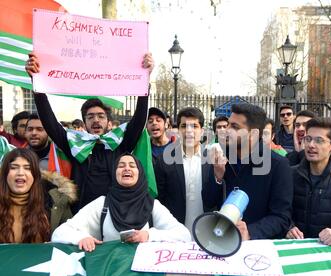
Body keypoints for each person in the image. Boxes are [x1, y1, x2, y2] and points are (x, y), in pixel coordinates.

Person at [25, 52, 154, 213]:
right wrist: (36, 82)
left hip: (117, 214)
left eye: (101, 116)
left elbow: (140, 119)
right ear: (84, 122)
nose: (96, 120)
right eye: (90, 117)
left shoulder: (122, 144)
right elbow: (50, 123)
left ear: (108, 122)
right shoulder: (74, 145)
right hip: (82, 216)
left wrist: (145, 80)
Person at [51, 153, 190, 251]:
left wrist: (149, 235)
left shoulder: (152, 205)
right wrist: (82, 238)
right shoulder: (102, 204)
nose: (127, 168)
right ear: (114, 173)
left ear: (139, 173)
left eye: (132, 165)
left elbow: (184, 235)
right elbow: (59, 233)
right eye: (121, 165)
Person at [203, 103, 293, 240]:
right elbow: (208, 202)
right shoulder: (221, 158)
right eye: (228, 125)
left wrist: (250, 232)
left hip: (259, 248)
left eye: (235, 127)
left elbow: (281, 218)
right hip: (222, 239)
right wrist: (217, 177)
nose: (227, 130)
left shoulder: (279, 165)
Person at [154, 107, 212, 233]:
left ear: (202, 131)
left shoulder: (213, 160)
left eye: (194, 126)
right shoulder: (163, 160)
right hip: (175, 233)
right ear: (178, 130)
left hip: (207, 233)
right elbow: (159, 200)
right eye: (184, 126)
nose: (189, 131)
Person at [0, 148, 75, 243]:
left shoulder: (55, 200)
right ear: (5, 174)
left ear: (35, 175)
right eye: (14, 167)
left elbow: (71, 234)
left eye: (27, 168)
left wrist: (82, 238)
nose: (20, 173)